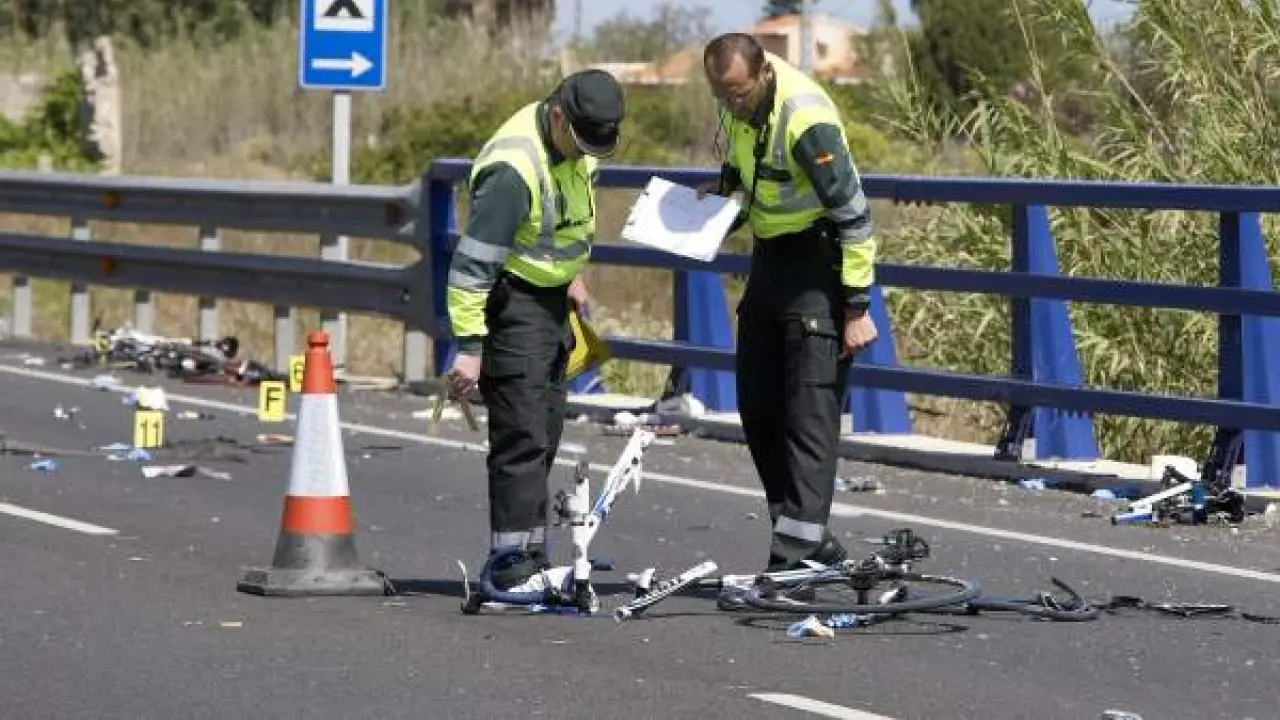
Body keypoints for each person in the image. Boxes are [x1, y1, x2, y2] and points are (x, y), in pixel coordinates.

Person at [698, 33, 879, 572]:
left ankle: (794, 561)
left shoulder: (805, 119)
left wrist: (856, 308)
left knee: (808, 416)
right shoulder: (734, 105)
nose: (730, 104)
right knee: (757, 405)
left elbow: (855, 217)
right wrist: (717, 200)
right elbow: (747, 178)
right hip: (770, 263)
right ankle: (805, 538)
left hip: (817, 269)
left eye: (738, 93)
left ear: (764, 74)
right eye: (720, 95)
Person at [444, 69, 626, 591]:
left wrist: (571, 276)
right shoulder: (513, 168)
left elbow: (564, 221)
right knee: (520, 437)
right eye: (581, 142)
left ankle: (531, 556)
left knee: (544, 434)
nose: (586, 154)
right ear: (558, 116)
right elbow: (472, 266)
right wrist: (470, 348)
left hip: (552, 304)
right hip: (514, 303)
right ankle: (508, 565)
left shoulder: (579, 146)